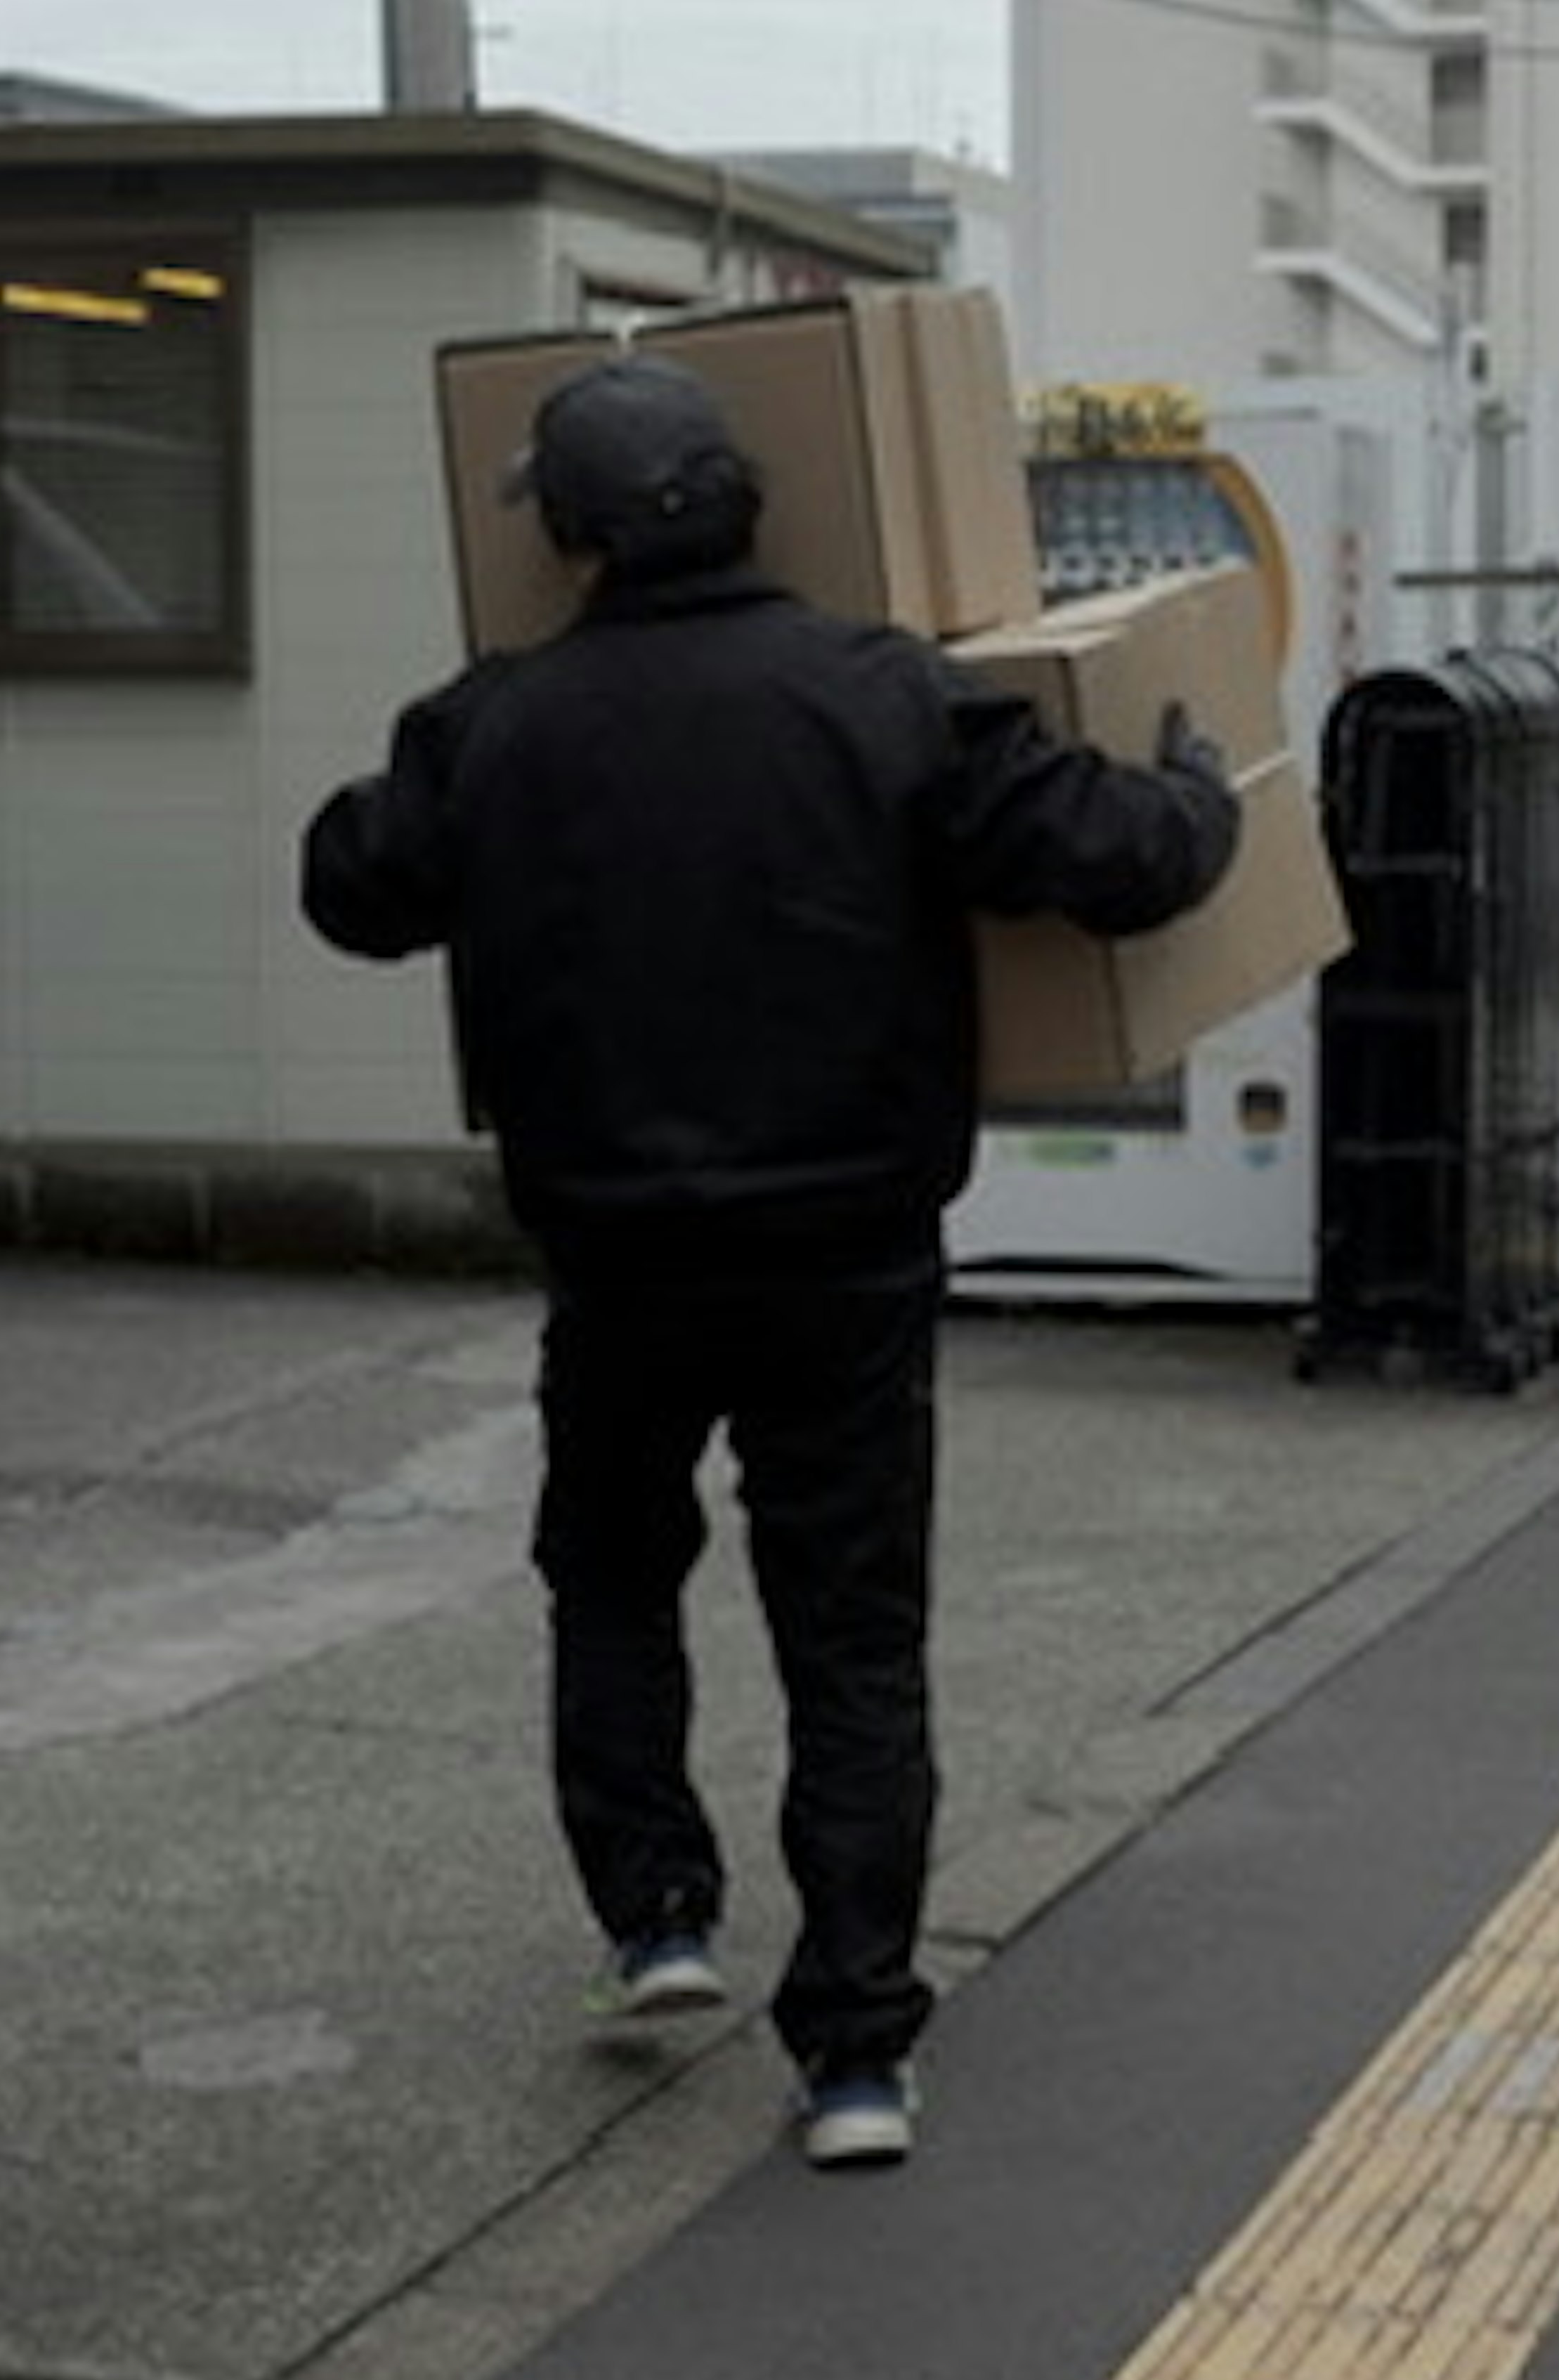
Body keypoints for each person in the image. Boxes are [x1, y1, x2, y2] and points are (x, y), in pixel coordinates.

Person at [298, 352, 1240, 2173]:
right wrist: (1201, 792)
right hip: (849, 1251)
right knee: (854, 1637)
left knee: (613, 1575)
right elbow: (1114, 861)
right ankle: (856, 2058)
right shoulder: (882, 697)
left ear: (570, 540)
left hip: (615, 1258)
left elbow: (350, 888)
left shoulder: (497, 726)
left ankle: (658, 1916)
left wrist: (438, 780)